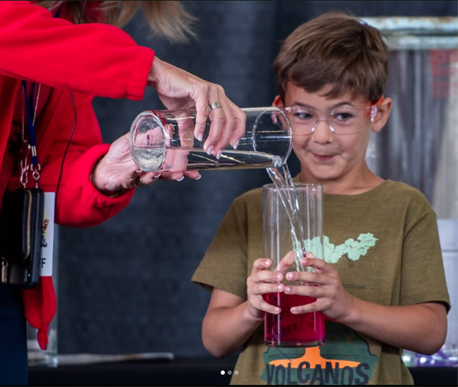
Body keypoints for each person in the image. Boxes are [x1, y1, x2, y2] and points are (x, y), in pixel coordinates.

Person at [0, 1, 246, 384]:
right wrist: (151, 70)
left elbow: (53, 172)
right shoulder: (38, 30)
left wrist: (106, 171)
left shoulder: (70, 20)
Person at [192, 12, 450, 385]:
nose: (322, 135)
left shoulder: (407, 208)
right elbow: (214, 339)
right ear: (280, 113)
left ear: (377, 113)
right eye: (303, 115)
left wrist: (347, 308)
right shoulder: (250, 208)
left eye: (342, 115)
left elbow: (431, 333)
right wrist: (252, 308)